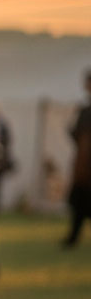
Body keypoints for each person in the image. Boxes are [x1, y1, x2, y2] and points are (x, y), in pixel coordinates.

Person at [63, 69, 91, 247]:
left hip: (86, 165)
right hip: (84, 165)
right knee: (79, 204)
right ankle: (73, 236)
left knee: (80, 202)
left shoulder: (86, 111)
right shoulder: (85, 110)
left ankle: (73, 237)